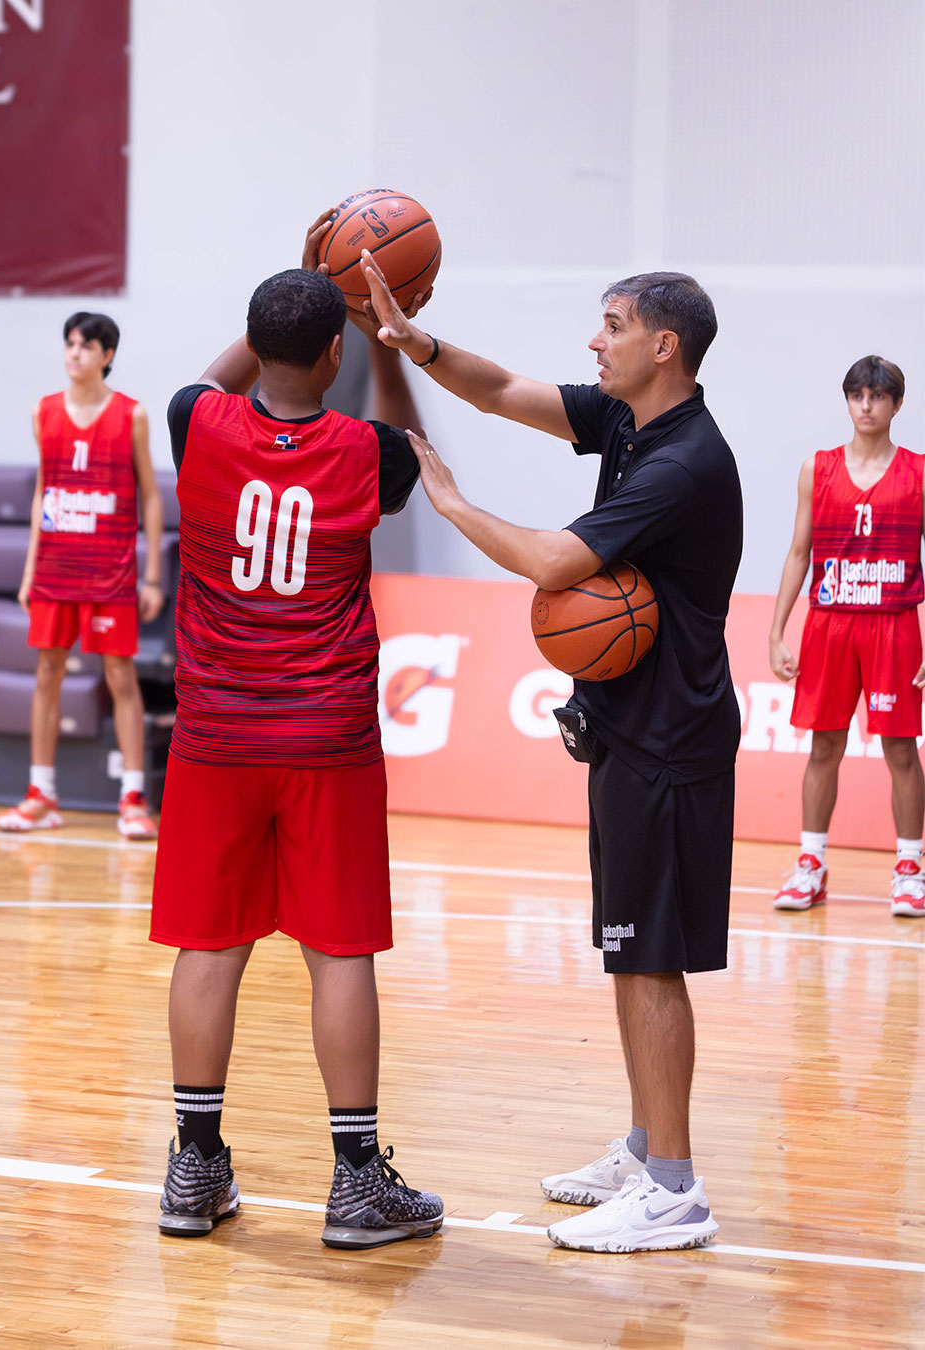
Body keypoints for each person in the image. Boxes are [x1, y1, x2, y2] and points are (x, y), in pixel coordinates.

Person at [361, 255, 741, 1254]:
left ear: (664, 345)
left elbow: (553, 563)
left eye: (611, 324)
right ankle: (646, 1144)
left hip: (672, 741)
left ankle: (676, 1190)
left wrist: (451, 505)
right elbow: (499, 392)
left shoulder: (683, 462)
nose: (594, 339)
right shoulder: (626, 418)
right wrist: (416, 343)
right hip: (629, 727)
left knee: (652, 961)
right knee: (628, 951)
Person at [149, 223, 443, 1250]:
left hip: (216, 736)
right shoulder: (365, 450)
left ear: (256, 340)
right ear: (335, 357)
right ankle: (357, 1184)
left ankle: (193, 1169)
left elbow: (204, 381)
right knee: (340, 950)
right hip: (327, 739)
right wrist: (389, 340)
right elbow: (417, 452)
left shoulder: (201, 423)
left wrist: (306, 291)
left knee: (209, 945)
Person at [0, 312, 164, 840]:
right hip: (55, 569)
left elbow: (151, 496)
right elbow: (44, 492)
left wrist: (152, 574)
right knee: (47, 675)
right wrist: (29, 570)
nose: (75, 354)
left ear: (107, 356)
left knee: (120, 680)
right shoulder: (42, 412)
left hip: (110, 571)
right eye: (69, 344)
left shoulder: (132, 415)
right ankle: (40, 794)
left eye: (86, 346)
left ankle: (132, 798)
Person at [769, 356, 925, 918]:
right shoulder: (819, 467)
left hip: (893, 624)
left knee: (901, 749)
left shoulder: (919, 472)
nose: (866, 405)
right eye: (857, 395)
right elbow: (797, 553)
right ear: (848, 400)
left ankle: (910, 868)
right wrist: (776, 631)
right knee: (825, 746)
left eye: (878, 396)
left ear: (896, 405)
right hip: (830, 624)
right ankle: (810, 865)